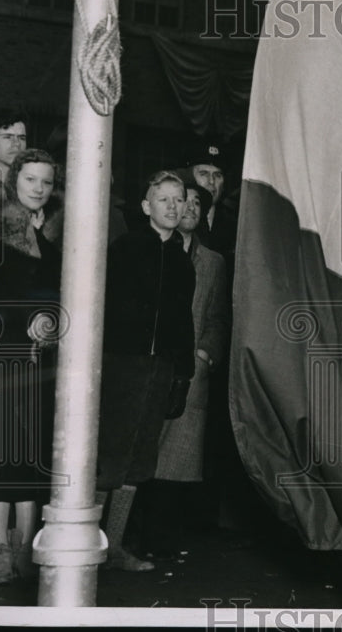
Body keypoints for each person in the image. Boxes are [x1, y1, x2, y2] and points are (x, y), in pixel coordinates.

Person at [0, 149, 63, 584]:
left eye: (46, 182)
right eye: (30, 180)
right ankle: (0, 545)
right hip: (0, 356)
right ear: (14, 182)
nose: (38, 188)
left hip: (41, 361)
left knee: (33, 451)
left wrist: (52, 321)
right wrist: (28, 318)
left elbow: (62, 298)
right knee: (0, 449)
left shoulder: (52, 245)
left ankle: (26, 544)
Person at [96, 170, 196, 571]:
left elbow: (183, 322)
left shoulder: (182, 261)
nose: (173, 207)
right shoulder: (125, 248)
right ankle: (88, 541)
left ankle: (115, 546)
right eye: (163, 199)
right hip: (121, 365)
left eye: (179, 200)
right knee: (108, 455)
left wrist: (181, 375)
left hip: (160, 369)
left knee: (139, 458)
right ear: (145, 207)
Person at [139, 177, 230, 557]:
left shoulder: (214, 262)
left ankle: (161, 539)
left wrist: (206, 354)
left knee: (179, 458)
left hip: (191, 371)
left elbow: (219, 317)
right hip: (152, 362)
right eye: (181, 201)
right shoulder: (155, 249)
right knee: (142, 447)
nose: (187, 208)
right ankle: (130, 533)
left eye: (195, 203)